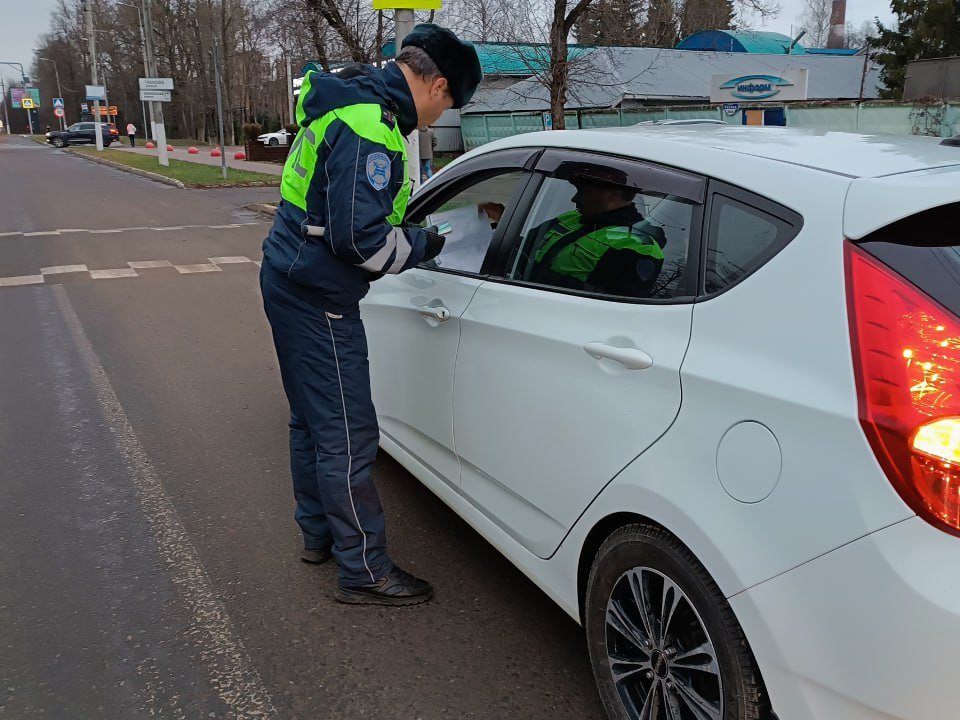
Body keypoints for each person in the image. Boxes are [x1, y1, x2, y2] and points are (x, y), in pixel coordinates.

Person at [259, 24, 482, 607]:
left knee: (310, 422)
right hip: (318, 295)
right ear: (435, 85)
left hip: (288, 276)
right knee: (348, 435)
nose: (441, 116)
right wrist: (432, 245)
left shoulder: (351, 101)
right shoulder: (370, 130)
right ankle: (362, 568)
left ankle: (319, 537)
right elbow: (362, 243)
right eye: (449, 103)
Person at [481, 164, 665, 297]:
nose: (575, 198)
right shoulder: (572, 218)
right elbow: (528, 247)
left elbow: (610, 302)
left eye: (583, 191)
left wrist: (533, 273)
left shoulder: (638, 246)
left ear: (611, 194)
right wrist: (504, 222)